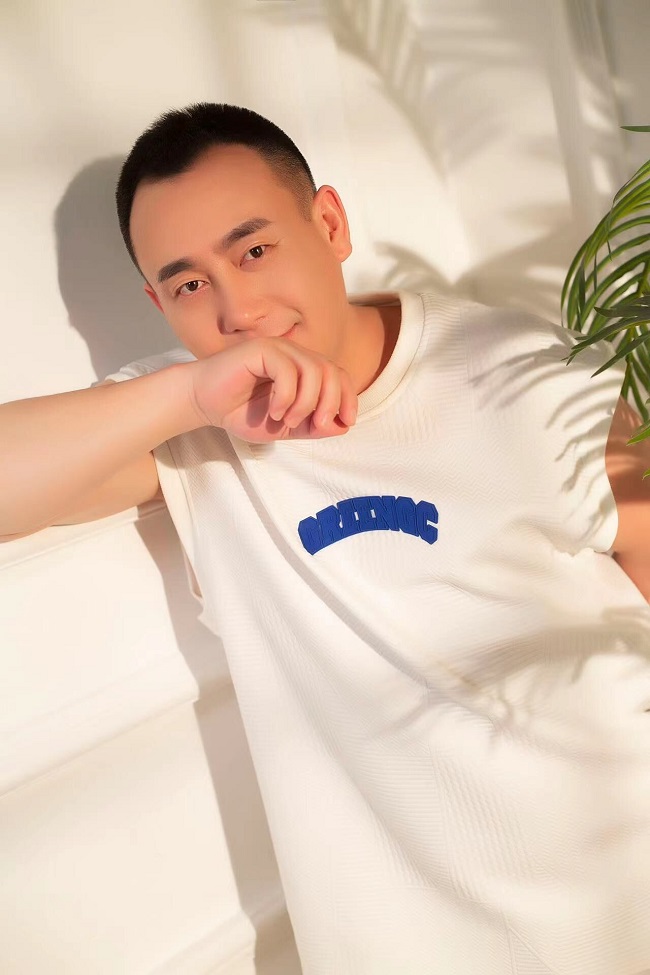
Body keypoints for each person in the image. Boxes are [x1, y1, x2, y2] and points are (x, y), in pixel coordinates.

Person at [3, 102, 650, 975]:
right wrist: (188, 396)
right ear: (158, 302)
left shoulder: (526, 369)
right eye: (189, 285)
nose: (238, 308)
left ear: (330, 224)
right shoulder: (195, 428)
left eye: (254, 250)